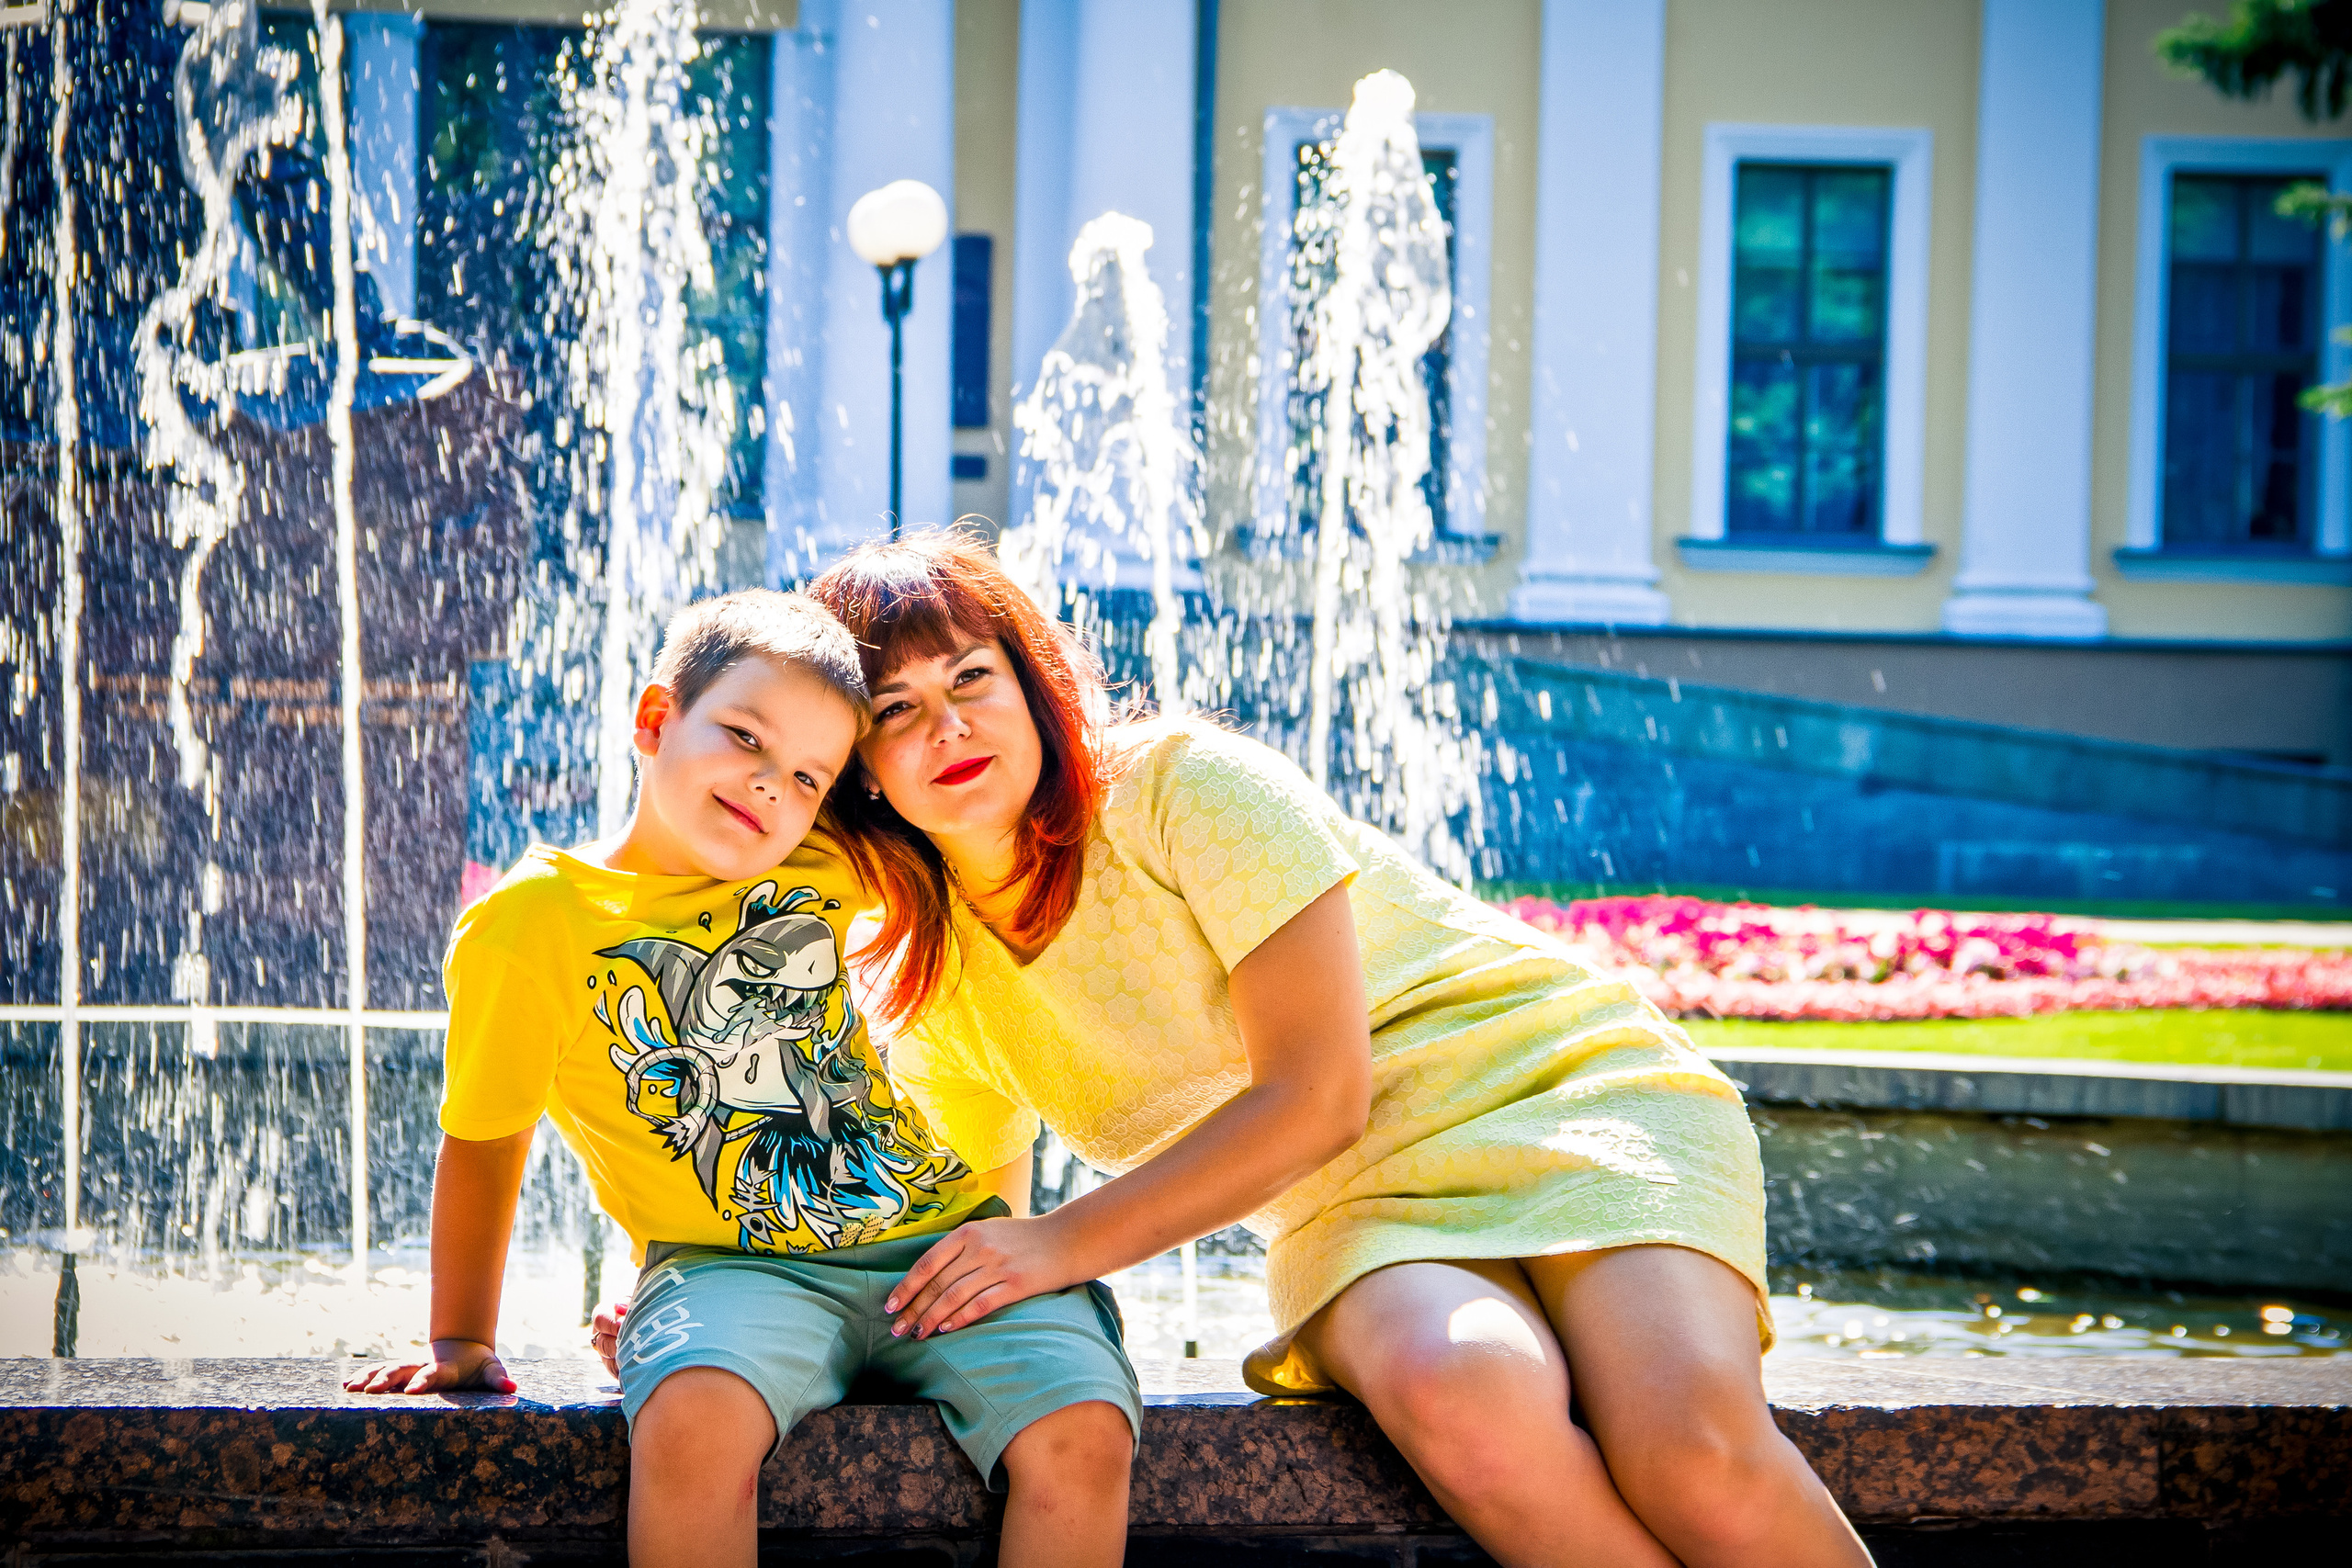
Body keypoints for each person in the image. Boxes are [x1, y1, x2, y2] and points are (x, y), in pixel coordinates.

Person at [800, 533, 1872, 1568]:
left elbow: (1316, 1097)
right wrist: (714, 1296)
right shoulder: (932, 988)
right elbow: (975, 1246)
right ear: (859, 773)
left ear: (1033, 686)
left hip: (1565, 1097)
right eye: (895, 710)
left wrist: (1060, 1243)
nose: (947, 725)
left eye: (972, 678)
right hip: (1357, 1214)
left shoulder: (1183, 786)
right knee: (1464, 1393)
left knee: (1695, 1461)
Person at [345, 590, 1139, 1568]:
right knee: (689, 1425)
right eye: (743, 738)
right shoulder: (533, 924)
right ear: (652, 719)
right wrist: (461, 1341)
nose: (771, 786)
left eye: (809, 775)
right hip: (731, 1270)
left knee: (1085, 1432)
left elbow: (977, 830)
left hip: (941, 1242)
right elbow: (485, 1141)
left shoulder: (824, 857)